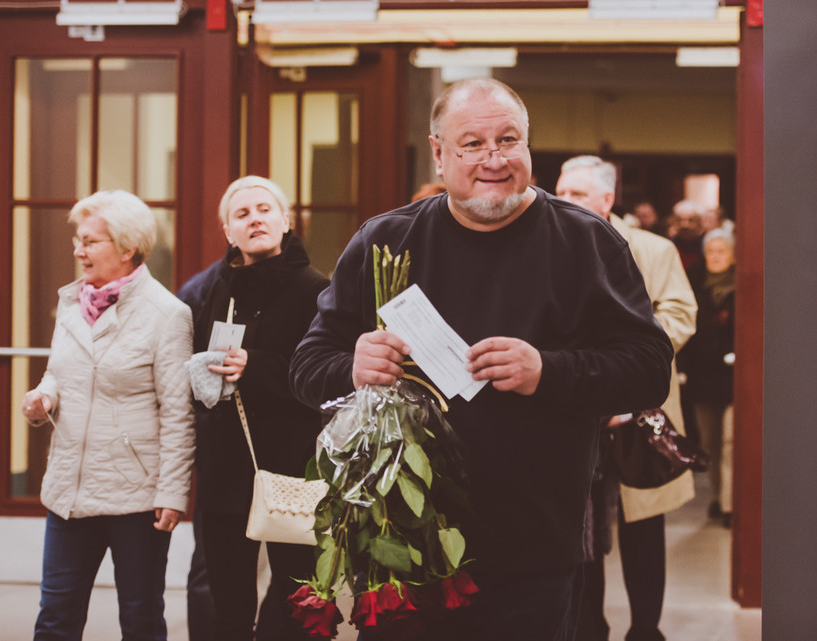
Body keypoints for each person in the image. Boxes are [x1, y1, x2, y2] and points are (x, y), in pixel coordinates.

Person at [288, 77, 673, 641]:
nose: (493, 158)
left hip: (535, 549)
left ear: (528, 149)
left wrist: (548, 370)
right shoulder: (385, 241)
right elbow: (305, 367)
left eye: (508, 140)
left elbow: (649, 370)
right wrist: (353, 363)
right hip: (403, 545)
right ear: (440, 154)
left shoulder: (586, 242)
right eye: (472, 144)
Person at [22, 190, 196, 641]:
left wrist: (173, 492)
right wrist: (42, 399)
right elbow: (59, 375)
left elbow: (178, 411)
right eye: (78, 240)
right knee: (55, 616)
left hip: (136, 497)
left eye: (91, 242)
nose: (78, 251)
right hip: (69, 489)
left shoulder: (167, 315)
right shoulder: (71, 303)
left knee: (139, 620)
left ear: (127, 247)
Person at [180, 175, 329, 641]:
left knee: (294, 598)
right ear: (228, 232)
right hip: (226, 467)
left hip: (290, 468)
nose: (255, 219)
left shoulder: (316, 289)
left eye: (265, 209)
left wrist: (257, 367)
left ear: (286, 221)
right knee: (227, 604)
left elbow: (325, 375)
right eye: (242, 214)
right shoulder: (218, 289)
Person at [556, 156, 697, 641]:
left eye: (576, 194)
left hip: (640, 408)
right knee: (584, 530)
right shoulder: (549, 244)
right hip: (577, 409)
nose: (564, 202)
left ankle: (645, 629)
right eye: (561, 192)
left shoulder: (654, 250)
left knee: (643, 528)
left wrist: (628, 352)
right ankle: (589, 628)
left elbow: (681, 312)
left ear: (607, 199)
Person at [680, 228, 736, 528]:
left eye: (722, 250)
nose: (715, 256)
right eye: (711, 251)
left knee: (730, 441)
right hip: (703, 377)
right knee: (710, 443)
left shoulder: (742, 286)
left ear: (733, 255)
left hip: (733, 378)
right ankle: (718, 496)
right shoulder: (693, 284)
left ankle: (730, 502)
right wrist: (683, 368)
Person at [669, 200, 705, 271]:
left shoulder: (705, 245)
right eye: (680, 220)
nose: (685, 225)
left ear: (699, 223)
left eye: (690, 220)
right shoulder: (669, 245)